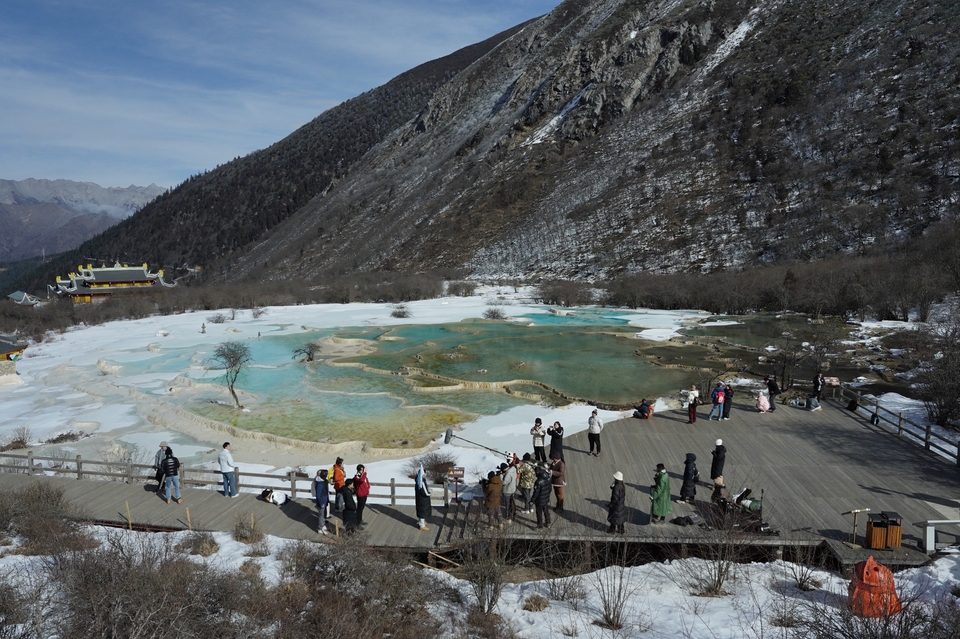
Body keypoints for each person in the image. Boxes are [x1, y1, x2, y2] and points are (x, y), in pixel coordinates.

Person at [532, 463, 553, 529]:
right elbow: (550, 489)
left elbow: (536, 493)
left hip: (539, 500)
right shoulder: (548, 477)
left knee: (539, 513)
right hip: (546, 498)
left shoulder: (538, 482)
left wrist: (532, 500)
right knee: (546, 511)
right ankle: (548, 523)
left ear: (537, 472)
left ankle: (540, 525)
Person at [310, 468, 330, 535]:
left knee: (324, 514)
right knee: (321, 515)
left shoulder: (323, 482)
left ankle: (323, 525)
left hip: (325, 499)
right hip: (322, 501)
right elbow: (318, 495)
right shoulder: (320, 484)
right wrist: (321, 503)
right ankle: (320, 528)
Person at [415, 464, 432, 531]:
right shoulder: (421, 482)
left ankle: (421, 522)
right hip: (423, 500)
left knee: (421, 511)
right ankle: (422, 526)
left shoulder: (418, 480)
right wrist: (429, 493)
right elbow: (425, 492)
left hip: (419, 499)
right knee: (423, 512)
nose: (425, 475)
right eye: (424, 474)